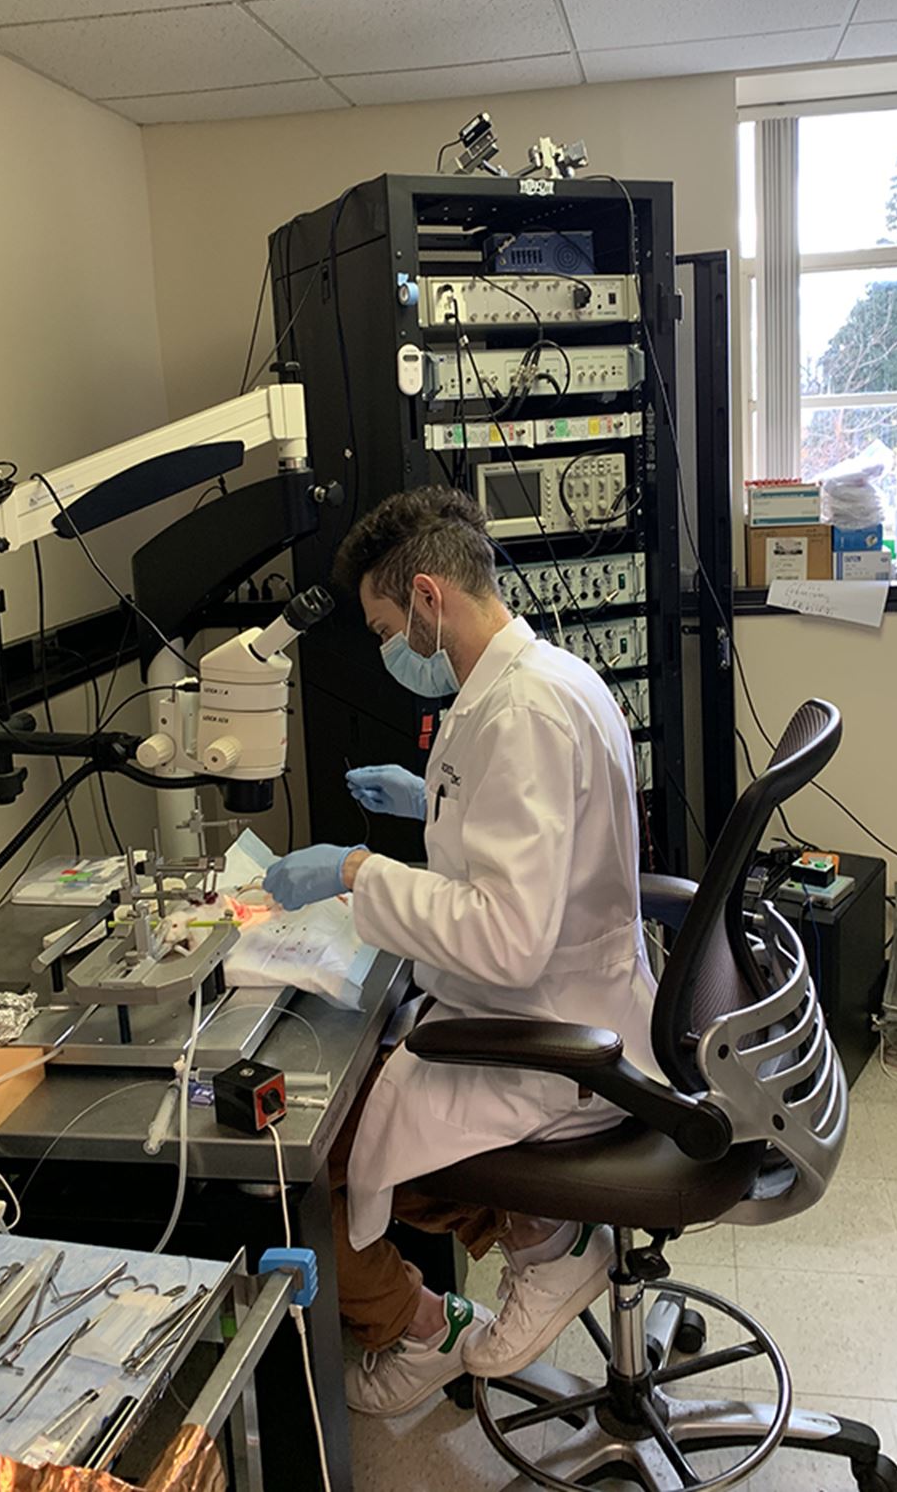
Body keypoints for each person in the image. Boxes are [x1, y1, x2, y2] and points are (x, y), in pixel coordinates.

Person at [263, 486, 660, 1417]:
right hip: (576, 1000)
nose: (387, 648)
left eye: (385, 625)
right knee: (382, 1089)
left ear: (431, 599)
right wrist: (428, 798)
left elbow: (506, 935)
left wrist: (358, 870)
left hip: (548, 1036)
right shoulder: (543, 678)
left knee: (314, 1154)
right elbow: (525, 843)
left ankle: (457, 1302)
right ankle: (540, 1234)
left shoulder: (521, 712)